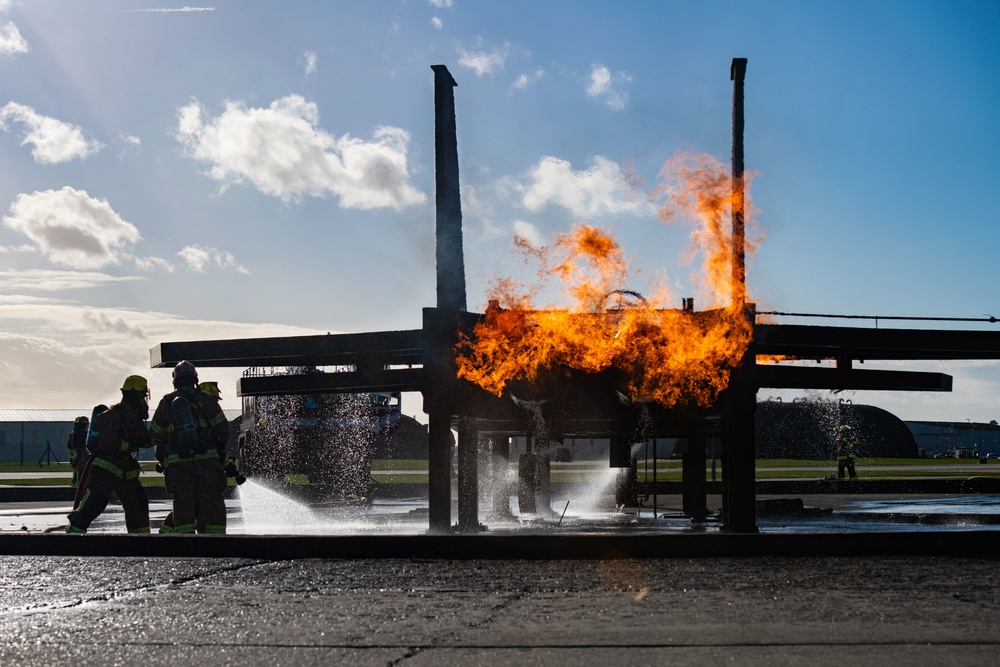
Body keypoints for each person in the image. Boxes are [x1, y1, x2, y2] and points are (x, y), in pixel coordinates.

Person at [150, 361, 230, 534]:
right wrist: (216, 451)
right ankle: (219, 543)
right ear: (194, 378)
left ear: (175, 380)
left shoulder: (167, 402)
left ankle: (185, 544)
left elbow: (155, 433)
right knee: (213, 502)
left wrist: (165, 456)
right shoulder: (207, 399)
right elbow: (223, 430)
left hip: (178, 466)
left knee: (183, 504)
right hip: (207, 464)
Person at [66, 377, 152, 534]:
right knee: (93, 505)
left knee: (138, 504)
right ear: (132, 394)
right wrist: (130, 442)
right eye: (141, 395)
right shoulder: (111, 416)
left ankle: (141, 542)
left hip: (126, 472)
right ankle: (72, 536)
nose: (142, 400)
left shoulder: (133, 416)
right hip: (106, 472)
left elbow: (143, 437)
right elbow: (107, 444)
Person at [159, 380, 243, 533]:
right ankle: (212, 543)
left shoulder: (174, 412)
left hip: (181, 472)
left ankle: (166, 539)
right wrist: (226, 466)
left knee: (184, 508)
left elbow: (158, 440)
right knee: (209, 507)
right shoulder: (207, 417)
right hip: (206, 473)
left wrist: (167, 464)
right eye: (215, 400)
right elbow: (218, 445)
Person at [66, 416, 89, 487]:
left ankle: (75, 487)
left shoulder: (72, 434)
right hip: (82, 458)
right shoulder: (85, 434)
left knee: (77, 475)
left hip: (75, 459)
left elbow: (69, 445)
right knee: (82, 476)